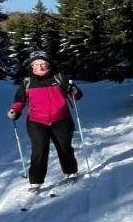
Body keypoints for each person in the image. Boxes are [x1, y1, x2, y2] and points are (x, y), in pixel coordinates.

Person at [7, 51, 83, 193]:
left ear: (48, 64)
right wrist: (15, 110)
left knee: (64, 148)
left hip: (61, 120)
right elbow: (19, 100)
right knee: (39, 151)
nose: (39, 67)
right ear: (31, 66)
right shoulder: (27, 82)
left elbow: (76, 96)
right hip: (37, 121)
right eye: (35, 64)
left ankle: (71, 172)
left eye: (43, 64)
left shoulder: (59, 77)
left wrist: (73, 90)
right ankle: (36, 181)